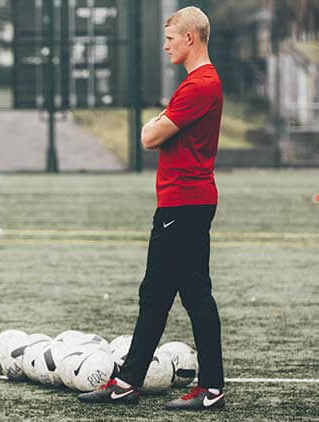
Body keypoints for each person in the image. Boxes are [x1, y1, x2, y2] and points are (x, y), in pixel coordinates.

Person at [78, 6, 225, 410]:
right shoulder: (196, 84)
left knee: (193, 296)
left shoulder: (200, 85)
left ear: (190, 38)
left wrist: (157, 121)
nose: (166, 46)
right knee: (158, 294)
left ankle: (211, 388)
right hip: (182, 202)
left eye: (171, 38)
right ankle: (128, 382)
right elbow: (157, 130)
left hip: (185, 203)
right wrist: (160, 120)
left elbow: (149, 136)